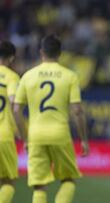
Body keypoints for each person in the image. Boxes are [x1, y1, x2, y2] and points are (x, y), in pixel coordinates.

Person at [13, 35, 89, 203]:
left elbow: (17, 110)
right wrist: (83, 140)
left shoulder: (28, 76)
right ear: (60, 53)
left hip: (35, 136)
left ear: (41, 52)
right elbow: (77, 111)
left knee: (39, 186)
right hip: (60, 134)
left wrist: (24, 137)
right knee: (68, 180)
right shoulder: (69, 76)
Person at [0, 41, 19, 203]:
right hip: (3, 136)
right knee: (8, 182)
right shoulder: (11, 76)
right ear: (11, 58)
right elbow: (14, 104)